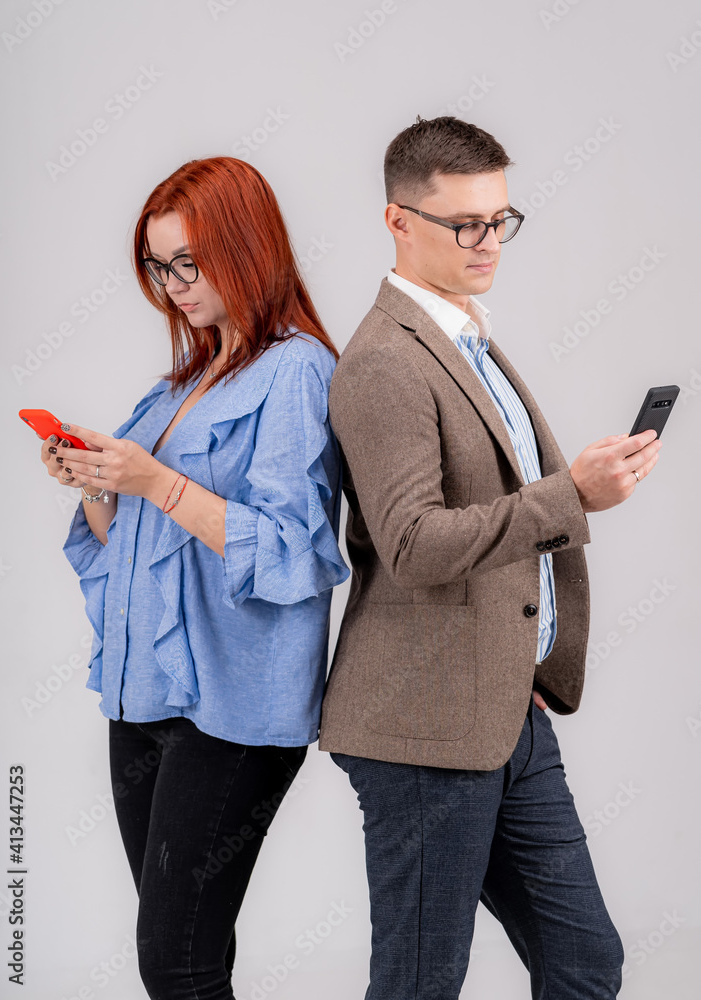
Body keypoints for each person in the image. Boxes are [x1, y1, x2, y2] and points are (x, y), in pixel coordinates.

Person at [319, 117, 662, 999]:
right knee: (419, 983)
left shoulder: (466, 338)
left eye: (499, 219)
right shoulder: (384, 363)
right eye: (463, 223)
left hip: (504, 704)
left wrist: (529, 653)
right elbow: (409, 545)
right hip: (423, 725)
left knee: (584, 964)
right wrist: (570, 497)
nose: (487, 242)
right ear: (398, 221)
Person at [36, 156, 350, 1000]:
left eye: (188, 262)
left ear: (247, 248)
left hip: (234, 711)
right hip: (146, 699)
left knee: (174, 962)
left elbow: (292, 552)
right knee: (187, 951)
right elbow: (132, 547)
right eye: (156, 264)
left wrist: (154, 481)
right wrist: (100, 486)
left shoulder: (297, 371)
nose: (171, 284)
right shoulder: (184, 379)